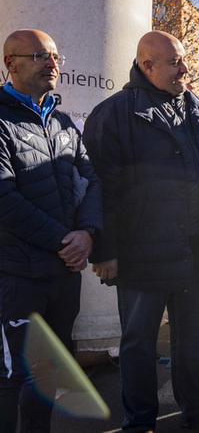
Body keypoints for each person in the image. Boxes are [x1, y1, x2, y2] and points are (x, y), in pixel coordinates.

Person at [84, 31, 199, 433]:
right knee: (138, 344)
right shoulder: (114, 113)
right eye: (174, 62)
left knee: (196, 337)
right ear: (146, 66)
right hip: (142, 253)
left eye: (184, 59)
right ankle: (140, 423)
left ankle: (197, 410)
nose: (185, 68)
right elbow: (101, 187)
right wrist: (103, 250)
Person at [0, 29, 101, 432]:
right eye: (41, 56)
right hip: (19, 275)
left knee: (50, 372)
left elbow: (93, 180)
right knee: (15, 377)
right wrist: (68, 241)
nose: (52, 63)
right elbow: (5, 201)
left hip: (64, 274)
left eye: (56, 56)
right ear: (11, 62)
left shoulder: (61, 121)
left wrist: (89, 231)